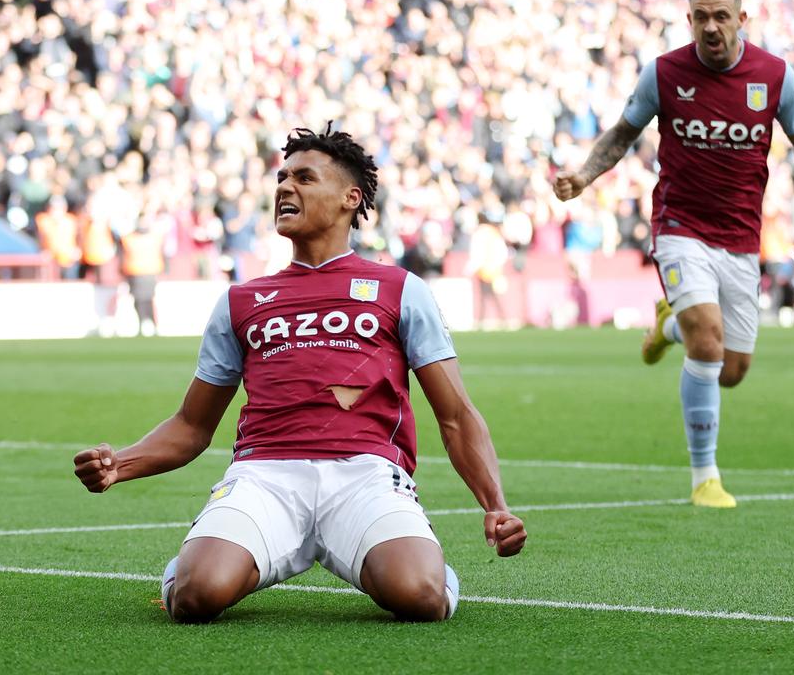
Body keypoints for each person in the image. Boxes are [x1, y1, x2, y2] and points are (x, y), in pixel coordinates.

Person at [75, 124, 526, 623]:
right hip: (264, 475)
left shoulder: (401, 289)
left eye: (305, 178)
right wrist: (123, 464)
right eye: (283, 178)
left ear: (350, 198)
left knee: (420, 596)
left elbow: (457, 416)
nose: (285, 188)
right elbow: (192, 426)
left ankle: (431, 567)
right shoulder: (239, 301)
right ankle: (193, 564)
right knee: (195, 597)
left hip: (367, 475)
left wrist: (495, 505)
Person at [553, 0, 794, 508]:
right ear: (689, 21)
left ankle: (669, 325)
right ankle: (705, 477)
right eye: (701, 17)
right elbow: (623, 132)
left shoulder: (775, 76)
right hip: (679, 228)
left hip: (741, 238)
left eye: (721, 16)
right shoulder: (664, 72)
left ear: (741, 20)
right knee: (708, 340)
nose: (711, 27)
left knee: (732, 370)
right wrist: (585, 175)